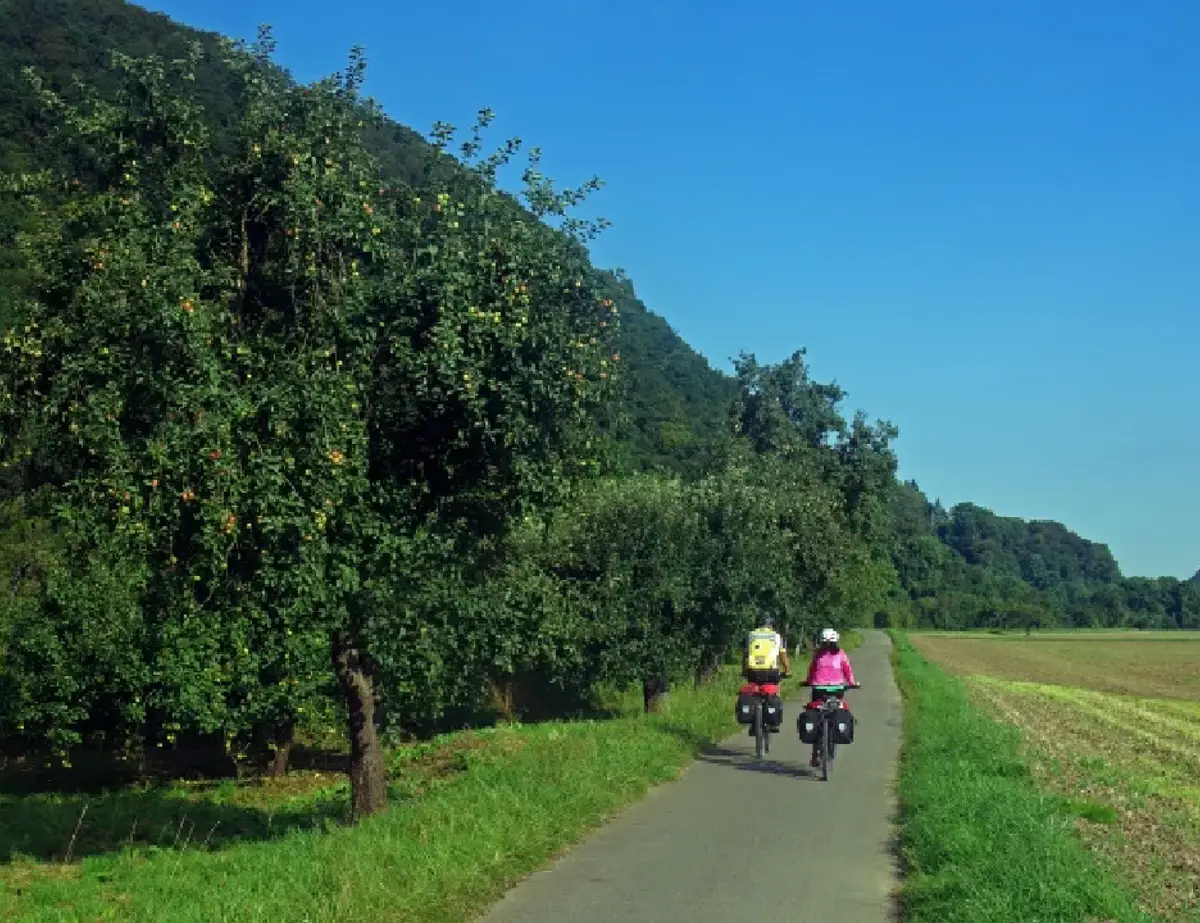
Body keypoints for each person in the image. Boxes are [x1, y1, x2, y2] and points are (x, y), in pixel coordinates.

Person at [803, 627, 859, 767]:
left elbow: (812, 670)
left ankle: (815, 755)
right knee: (837, 709)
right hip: (837, 689)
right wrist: (852, 683)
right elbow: (847, 670)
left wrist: (807, 682)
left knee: (816, 715)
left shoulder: (818, 654)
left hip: (818, 689)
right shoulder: (841, 654)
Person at [743, 613, 791, 685]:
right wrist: (787, 670)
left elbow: (745, 656)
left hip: (753, 672)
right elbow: (783, 657)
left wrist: (744, 671)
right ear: (771, 625)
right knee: (775, 690)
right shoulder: (777, 636)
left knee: (751, 688)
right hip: (772, 672)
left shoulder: (750, 636)